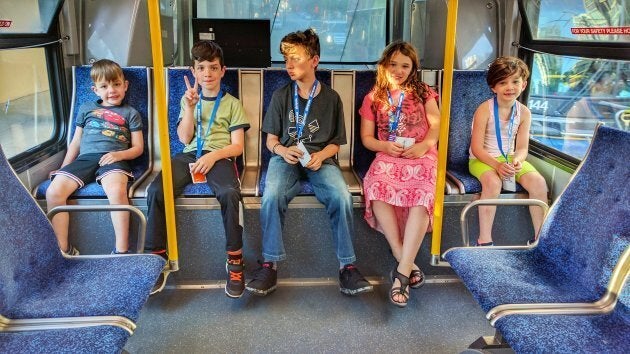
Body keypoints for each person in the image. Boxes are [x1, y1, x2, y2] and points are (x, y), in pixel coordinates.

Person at [245, 28, 373, 297]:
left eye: (296, 59)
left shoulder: (332, 99)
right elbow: (270, 141)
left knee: (341, 196)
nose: (289, 66)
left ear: (314, 60)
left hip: (320, 159)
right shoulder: (281, 95)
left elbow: (336, 142)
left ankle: (347, 267)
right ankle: (270, 264)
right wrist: (281, 149)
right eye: (286, 60)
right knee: (272, 196)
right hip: (286, 157)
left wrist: (321, 156)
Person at [144, 41, 250, 298]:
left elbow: (237, 147)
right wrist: (190, 109)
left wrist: (213, 156)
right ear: (194, 72)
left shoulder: (232, 104)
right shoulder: (187, 100)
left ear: (223, 71)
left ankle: (235, 261)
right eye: (201, 68)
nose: (207, 74)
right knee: (157, 190)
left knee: (229, 194)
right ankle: (156, 257)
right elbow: (183, 137)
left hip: (220, 156)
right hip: (189, 154)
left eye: (213, 68)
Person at [359, 41, 440, 307]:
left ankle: (402, 273)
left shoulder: (424, 92)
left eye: (405, 65)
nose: (398, 70)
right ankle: (401, 254)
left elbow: (436, 127)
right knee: (375, 184)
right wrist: (385, 146)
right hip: (389, 153)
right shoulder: (374, 97)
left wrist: (424, 146)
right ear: (384, 66)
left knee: (422, 192)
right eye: (393, 64)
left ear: (413, 68)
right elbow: (367, 139)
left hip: (420, 154)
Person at [46, 59, 143, 256]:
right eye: (104, 86)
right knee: (53, 191)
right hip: (85, 158)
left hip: (115, 158)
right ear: (95, 90)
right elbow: (75, 142)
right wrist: (64, 167)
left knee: (116, 191)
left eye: (116, 84)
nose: (112, 90)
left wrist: (118, 154)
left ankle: (121, 250)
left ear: (125, 86)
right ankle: (63, 250)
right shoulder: (86, 109)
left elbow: (138, 148)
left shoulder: (131, 113)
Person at [469, 56, 548, 247]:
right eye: (503, 83)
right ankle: (484, 239)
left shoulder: (524, 113)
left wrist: (518, 161)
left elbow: (521, 148)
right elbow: (476, 148)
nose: (509, 87)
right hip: (483, 159)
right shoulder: (484, 110)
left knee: (539, 183)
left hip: (510, 159)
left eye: (515, 81)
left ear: (524, 84)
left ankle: (539, 240)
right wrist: (497, 165)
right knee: (493, 183)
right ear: (493, 87)